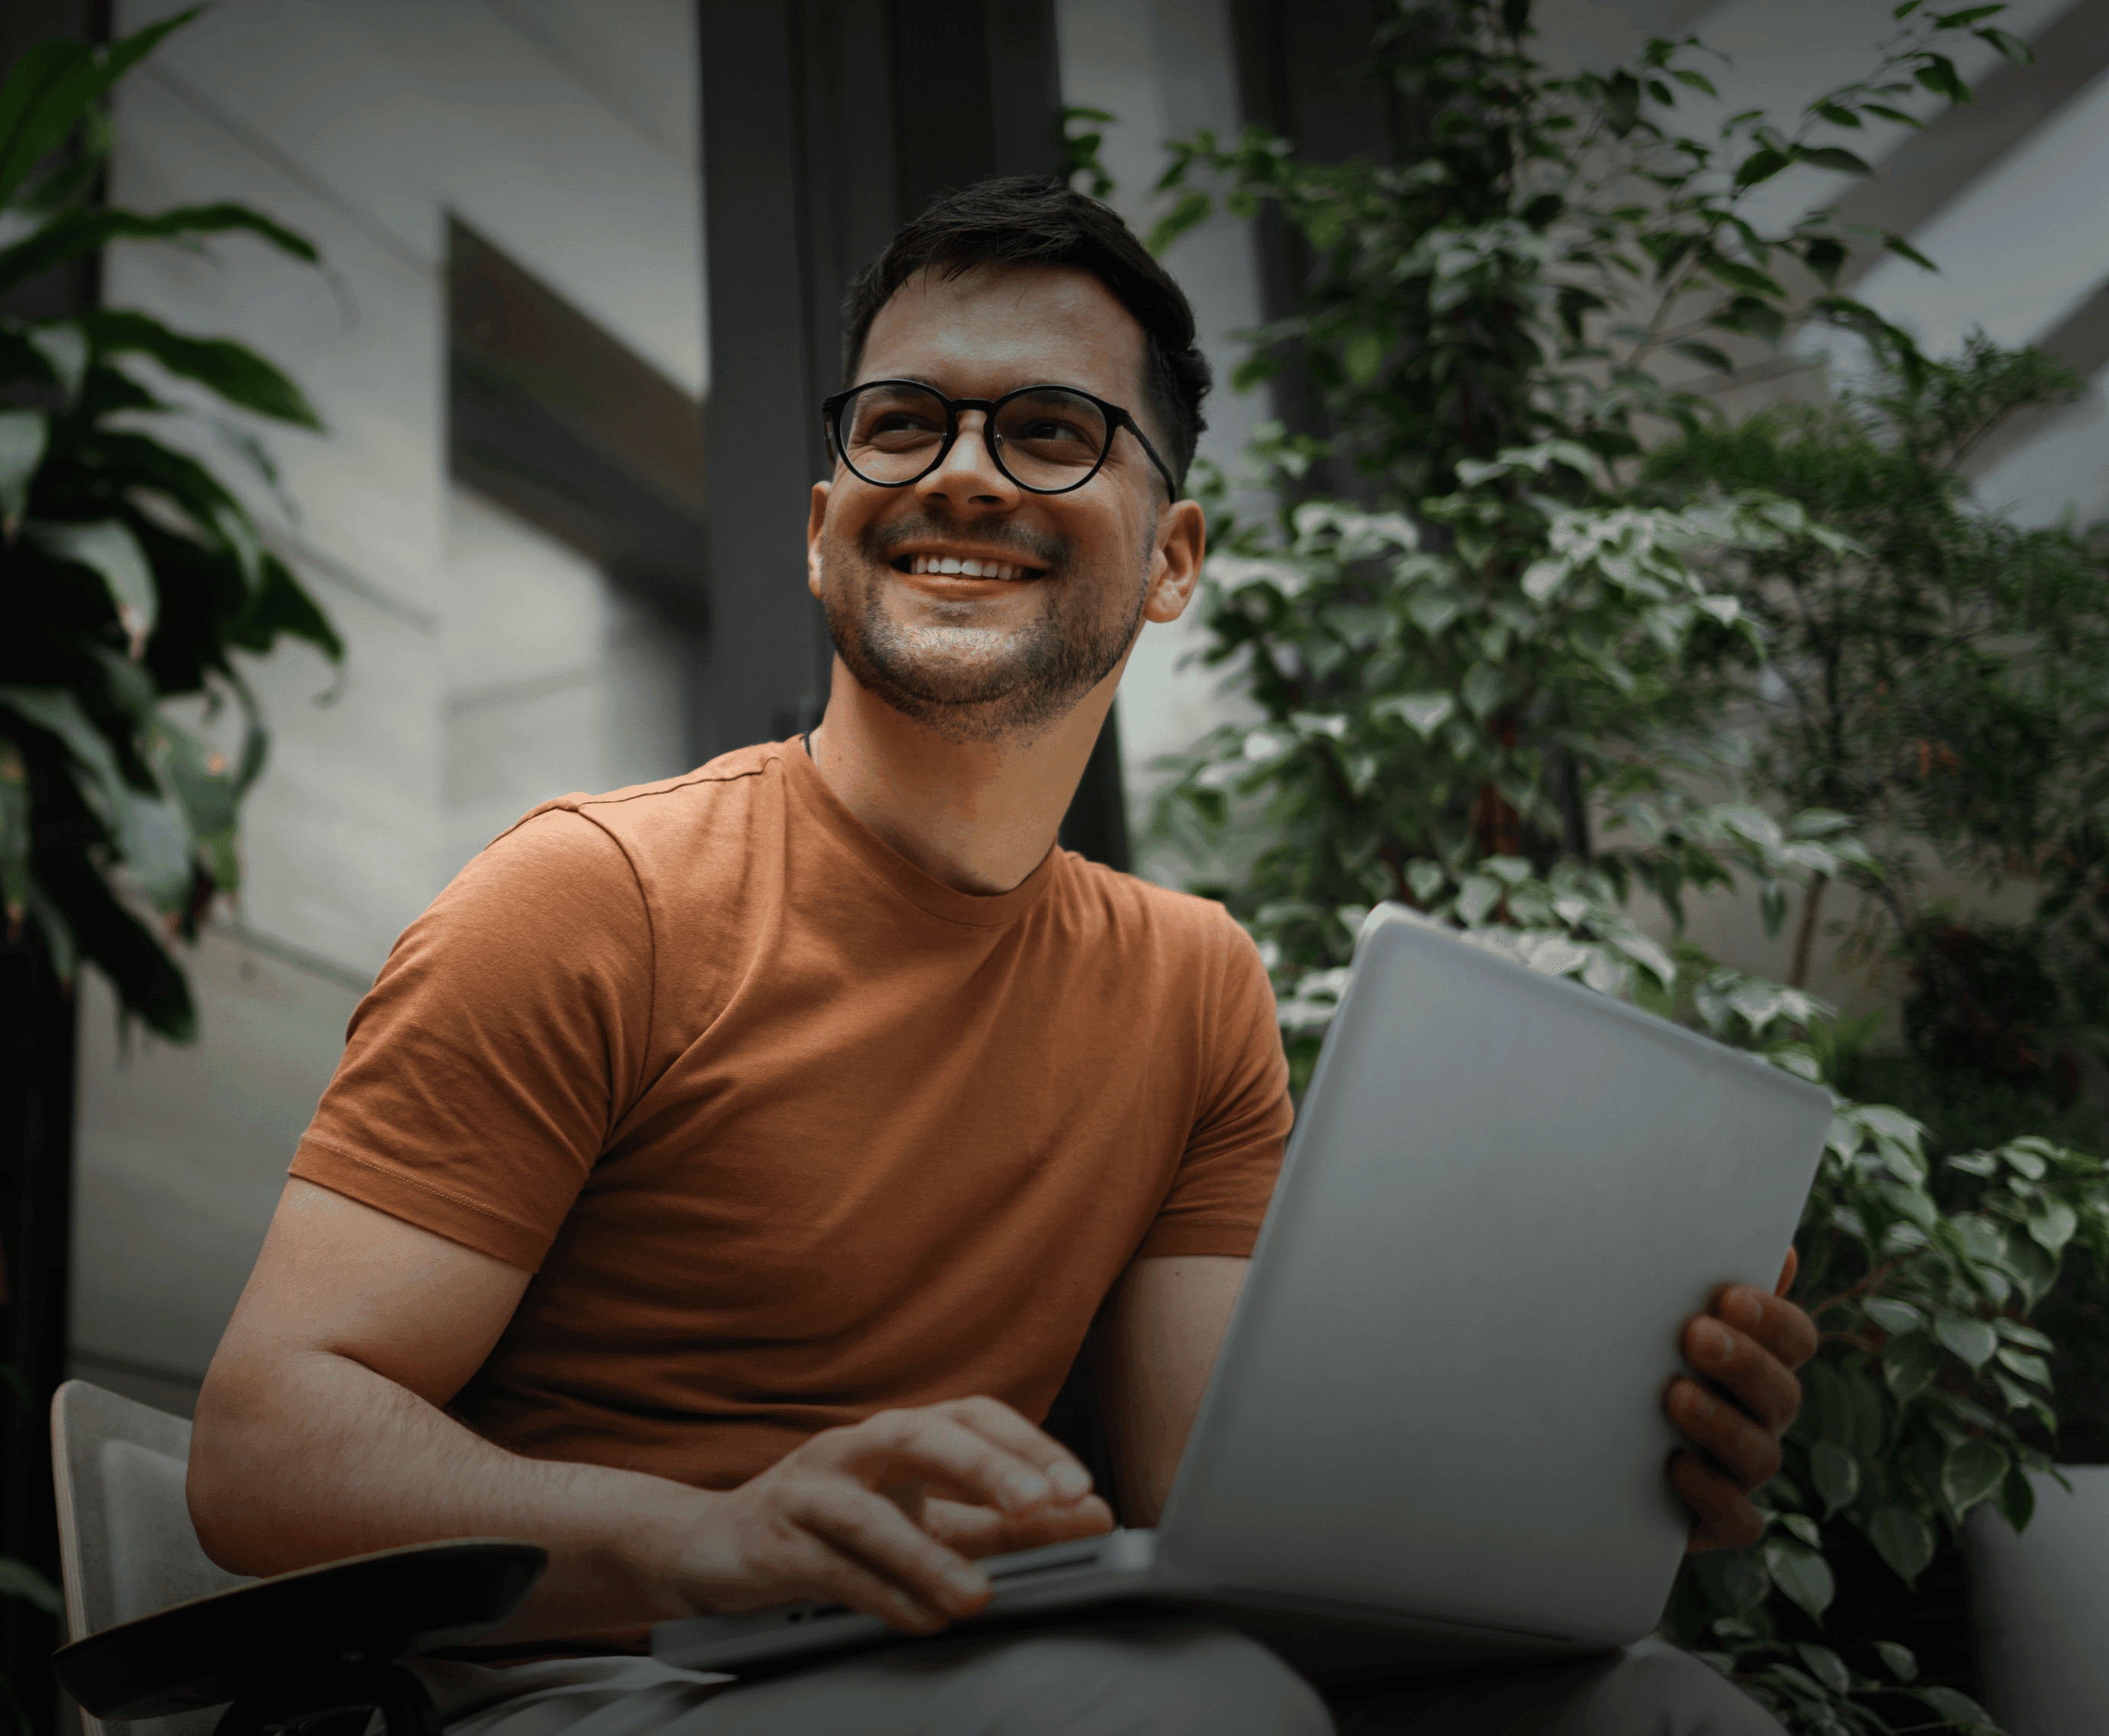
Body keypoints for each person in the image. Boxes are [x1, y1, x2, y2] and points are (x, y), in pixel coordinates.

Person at [186, 179, 1819, 1734]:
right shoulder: (592, 894)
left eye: (1049, 430)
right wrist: (705, 1535)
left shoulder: (1193, 987)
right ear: (827, 529)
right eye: (904, 421)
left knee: (1653, 1709)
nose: (960, 473)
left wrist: (1608, 1464)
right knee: (1195, 1713)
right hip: (591, 1678)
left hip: (971, 1664)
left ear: (1171, 559)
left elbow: (1206, 1509)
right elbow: (262, 1446)